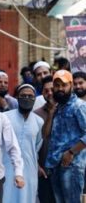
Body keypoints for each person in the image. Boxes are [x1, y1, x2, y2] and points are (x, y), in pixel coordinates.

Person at [46, 70, 86, 203]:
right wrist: (51, 112)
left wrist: (71, 152)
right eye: (57, 85)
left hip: (72, 166)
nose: (60, 89)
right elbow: (45, 135)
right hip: (56, 164)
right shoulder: (58, 107)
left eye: (64, 85)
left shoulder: (79, 106)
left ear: (71, 86)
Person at [3, 84, 43, 203]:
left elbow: (37, 145)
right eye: (23, 95)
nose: (27, 98)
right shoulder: (5, 118)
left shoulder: (39, 121)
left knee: (27, 198)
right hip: (7, 166)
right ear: (17, 97)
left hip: (30, 168)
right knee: (6, 197)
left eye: (30, 96)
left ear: (35, 98)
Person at [34, 76, 56, 203]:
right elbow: (35, 142)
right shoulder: (36, 114)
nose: (50, 93)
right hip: (44, 171)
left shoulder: (68, 110)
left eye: (52, 89)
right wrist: (37, 166)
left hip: (64, 168)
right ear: (42, 93)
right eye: (46, 91)